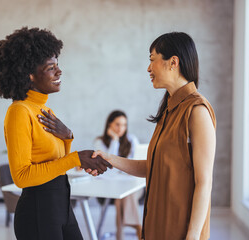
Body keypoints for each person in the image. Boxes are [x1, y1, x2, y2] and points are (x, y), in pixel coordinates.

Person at [0, 27, 112, 240]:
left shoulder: (45, 111)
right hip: (38, 213)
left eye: (57, 65)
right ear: (30, 75)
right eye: (51, 68)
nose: (59, 72)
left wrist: (68, 137)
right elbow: (22, 177)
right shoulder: (19, 111)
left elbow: (57, 163)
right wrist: (74, 158)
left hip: (61, 206)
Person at [91, 32, 216, 240]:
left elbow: (204, 182)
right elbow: (153, 167)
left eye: (152, 60)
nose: (149, 68)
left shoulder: (197, 110)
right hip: (156, 223)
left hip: (180, 229)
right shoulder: (168, 111)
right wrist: (110, 159)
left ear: (173, 62)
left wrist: (192, 236)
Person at [94, 110, 142, 240]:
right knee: (121, 198)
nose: (121, 128)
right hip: (111, 187)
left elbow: (135, 168)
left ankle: (121, 235)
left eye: (124, 125)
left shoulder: (132, 140)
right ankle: (138, 228)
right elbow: (109, 170)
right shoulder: (100, 142)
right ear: (109, 124)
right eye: (117, 124)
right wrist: (114, 141)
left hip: (133, 187)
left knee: (126, 194)